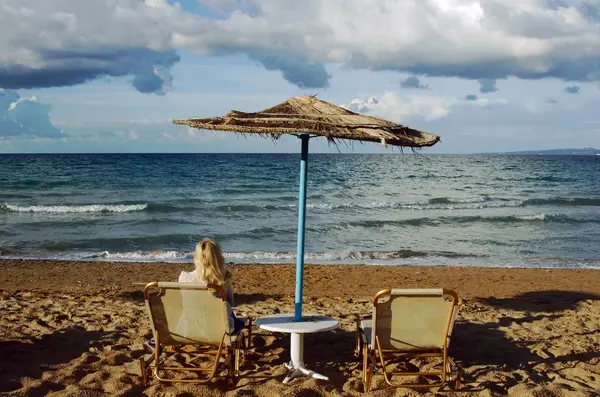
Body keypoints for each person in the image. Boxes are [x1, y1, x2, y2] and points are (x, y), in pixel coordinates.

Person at [178, 237, 245, 332]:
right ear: (218, 257)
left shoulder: (184, 278)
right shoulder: (222, 279)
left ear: (197, 257)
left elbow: (182, 303)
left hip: (189, 329)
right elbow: (230, 301)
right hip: (219, 330)